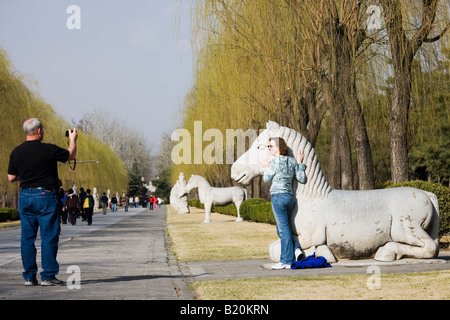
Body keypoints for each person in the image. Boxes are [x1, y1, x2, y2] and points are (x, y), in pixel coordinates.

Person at [7, 118, 77, 286]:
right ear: (39, 131)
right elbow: (70, 155)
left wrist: (28, 175)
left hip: (25, 196)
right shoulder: (48, 149)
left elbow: (11, 178)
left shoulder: (16, 152)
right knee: (48, 236)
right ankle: (48, 275)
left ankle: (29, 276)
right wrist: (72, 140)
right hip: (45, 195)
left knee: (27, 238)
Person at [261, 137, 306, 270]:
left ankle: (285, 261)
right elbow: (301, 178)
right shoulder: (292, 161)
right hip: (290, 198)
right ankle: (296, 249)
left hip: (278, 197)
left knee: (283, 229)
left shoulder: (274, 162)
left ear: (280, 148)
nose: (269, 148)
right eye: (268, 146)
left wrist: (266, 167)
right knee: (282, 228)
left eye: (271, 146)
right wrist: (299, 162)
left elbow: (266, 179)